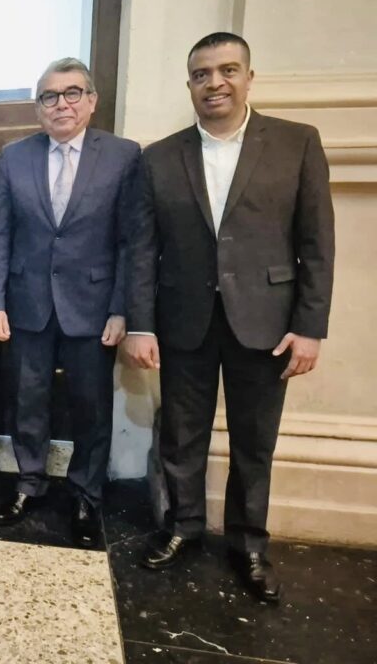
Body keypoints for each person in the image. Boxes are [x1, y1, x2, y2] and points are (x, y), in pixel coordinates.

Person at [124, 32, 335, 603]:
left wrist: (310, 327)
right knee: (181, 433)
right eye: (202, 74)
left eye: (227, 70)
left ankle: (249, 543)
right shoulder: (158, 157)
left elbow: (317, 243)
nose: (214, 83)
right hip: (183, 318)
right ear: (189, 84)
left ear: (248, 77)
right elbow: (142, 249)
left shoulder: (296, 143)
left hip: (266, 322)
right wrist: (141, 324)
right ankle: (183, 526)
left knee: (254, 440)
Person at [0, 58, 139, 548]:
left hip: (93, 308)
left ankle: (86, 495)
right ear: (39, 107)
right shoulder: (14, 156)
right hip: (26, 303)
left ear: (91, 101)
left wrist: (122, 308)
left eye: (72, 93)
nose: (61, 104)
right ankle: (28, 482)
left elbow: (131, 241)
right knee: (27, 401)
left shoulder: (123, 156)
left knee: (91, 407)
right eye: (49, 96)